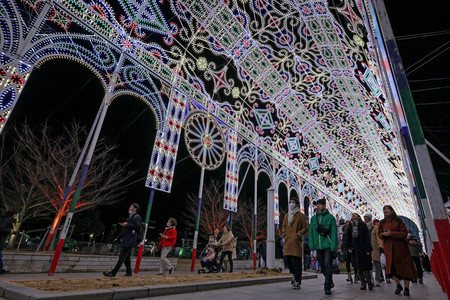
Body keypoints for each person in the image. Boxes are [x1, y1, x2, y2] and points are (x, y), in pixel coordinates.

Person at [378, 205, 417, 296]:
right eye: (384, 209)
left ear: (392, 211)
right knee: (392, 270)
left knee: (405, 268)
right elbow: (379, 233)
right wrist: (383, 234)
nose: (386, 210)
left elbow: (404, 234)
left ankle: (406, 288)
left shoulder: (399, 221)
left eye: (388, 209)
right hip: (388, 249)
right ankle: (398, 285)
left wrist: (392, 234)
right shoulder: (382, 222)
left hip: (401, 249)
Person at [104, 203, 142, 277]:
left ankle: (113, 273)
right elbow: (125, 230)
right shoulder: (130, 217)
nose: (129, 208)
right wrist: (118, 238)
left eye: (131, 207)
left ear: (135, 209)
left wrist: (127, 225)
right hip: (127, 239)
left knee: (122, 256)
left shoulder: (137, 217)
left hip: (130, 240)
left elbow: (137, 226)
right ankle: (129, 272)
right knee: (126, 258)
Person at [309, 198, 338, 295]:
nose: (318, 206)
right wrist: (312, 245)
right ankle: (330, 281)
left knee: (327, 264)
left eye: (320, 205)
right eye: (317, 204)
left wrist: (334, 246)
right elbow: (311, 233)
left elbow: (334, 233)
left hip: (328, 245)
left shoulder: (330, 217)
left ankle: (327, 287)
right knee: (322, 266)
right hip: (318, 246)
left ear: (324, 206)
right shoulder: (313, 218)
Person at [281, 197, 308, 290]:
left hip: (296, 242)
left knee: (296, 262)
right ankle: (294, 274)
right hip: (288, 241)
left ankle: (297, 281)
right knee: (287, 260)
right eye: (290, 202)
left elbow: (305, 227)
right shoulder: (286, 215)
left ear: (297, 204)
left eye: (292, 202)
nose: (291, 204)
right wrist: (284, 234)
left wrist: (298, 235)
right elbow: (283, 226)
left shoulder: (301, 216)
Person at [346, 213, 373, 291]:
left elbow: (367, 238)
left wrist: (368, 249)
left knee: (366, 267)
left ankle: (369, 282)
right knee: (358, 267)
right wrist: (348, 247)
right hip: (355, 249)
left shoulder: (363, 225)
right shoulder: (350, 226)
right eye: (352, 215)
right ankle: (363, 283)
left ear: (359, 217)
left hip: (363, 248)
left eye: (355, 215)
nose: (354, 216)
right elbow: (348, 238)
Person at [364, 213, 382, 287]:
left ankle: (377, 278)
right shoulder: (364, 227)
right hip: (366, 248)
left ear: (369, 218)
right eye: (364, 217)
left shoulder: (375, 228)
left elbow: (378, 237)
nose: (365, 219)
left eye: (367, 217)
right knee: (367, 265)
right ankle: (370, 279)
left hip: (374, 247)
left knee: (377, 263)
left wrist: (380, 245)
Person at [0, 210, 18, 274]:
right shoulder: (7, 220)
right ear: (13, 214)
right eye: (16, 214)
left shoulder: (6, 219)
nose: (17, 216)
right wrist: (9, 230)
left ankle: (1, 269)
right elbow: (1, 228)